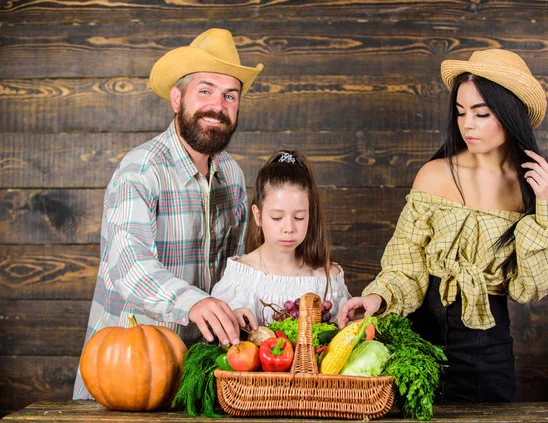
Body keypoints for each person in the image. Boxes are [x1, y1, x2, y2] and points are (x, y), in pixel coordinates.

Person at [338, 49, 548, 403]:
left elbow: (529, 290)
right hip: (419, 341)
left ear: (510, 115)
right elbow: (405, 264)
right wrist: (376, 297)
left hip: (488, 350)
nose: (468, 125)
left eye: (481, 113)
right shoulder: (434, 175)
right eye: (461, 112)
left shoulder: (531, 189)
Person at [73, 28, 264, 399]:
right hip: (128, 371)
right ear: (177, 98)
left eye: (230, 95)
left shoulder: (233, 175)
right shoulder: (140, 171)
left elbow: (234, 267)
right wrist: (194, 302)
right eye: (205, 91)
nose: (218, 106)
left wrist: (238, 305)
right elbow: (128, 264)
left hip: (201, 375)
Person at [211, 151, 351, 327]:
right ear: (258, 215)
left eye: (299, 217)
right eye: (277, 218)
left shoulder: (328, 279)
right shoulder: (239, 279)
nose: (289, 229)